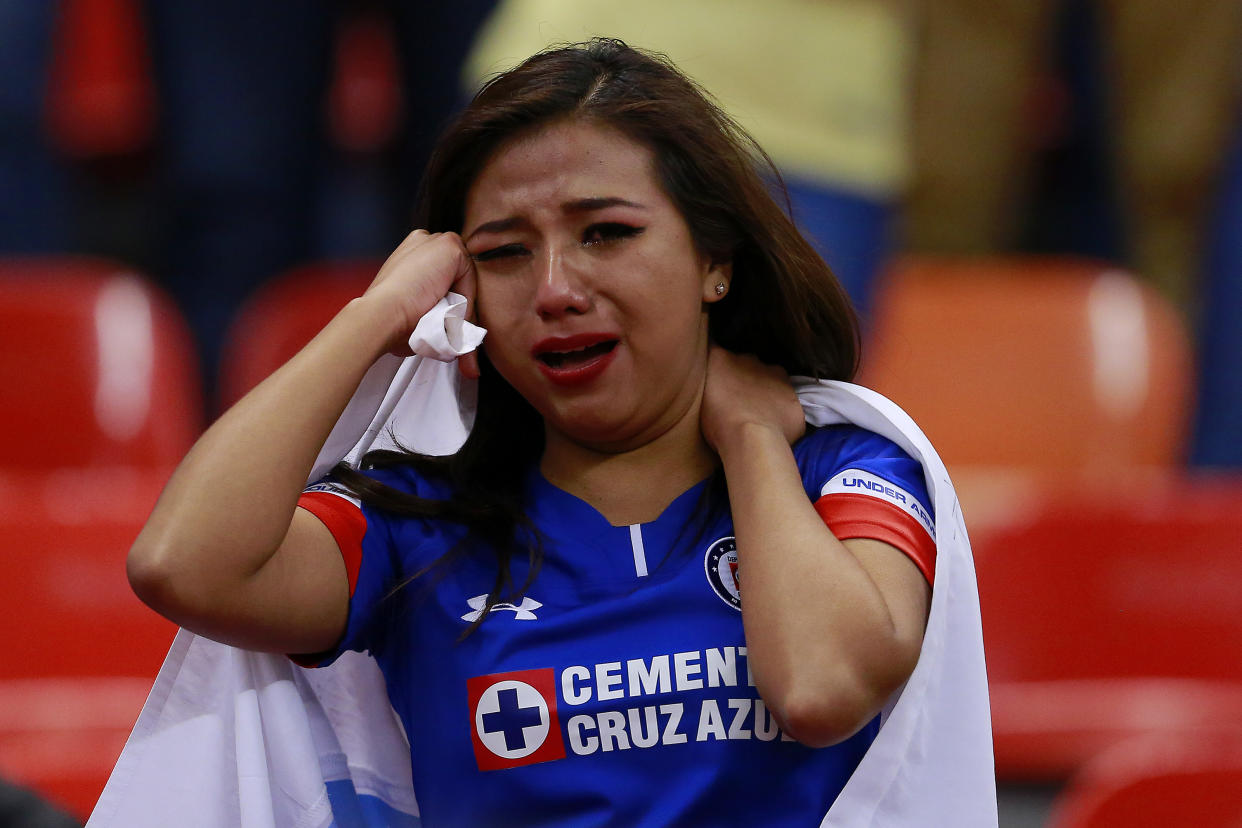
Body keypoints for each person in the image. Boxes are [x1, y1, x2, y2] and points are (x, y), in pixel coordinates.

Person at [125, 40, 959, 826]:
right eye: (505, 254)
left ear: (717, 261)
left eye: (606, 233)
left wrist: (750, 439)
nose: (555, 289)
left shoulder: (850, 467)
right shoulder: (419, 523)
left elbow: (820, 689)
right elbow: (182, 565)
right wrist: (375, 315)